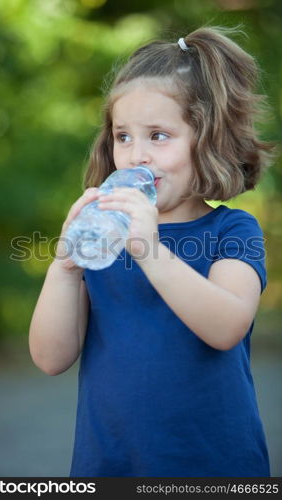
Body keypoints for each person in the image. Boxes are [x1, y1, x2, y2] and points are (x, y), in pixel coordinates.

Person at [29, 26, 275, 477]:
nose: (136, 155)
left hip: (213, 467)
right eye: (123, 137)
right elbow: (50, 358)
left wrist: (149, 249)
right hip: (109, 466)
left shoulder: (232, 229)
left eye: (158, 135)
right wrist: (65, 270)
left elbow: (225, 328)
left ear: (209, 139)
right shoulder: (107, 234)